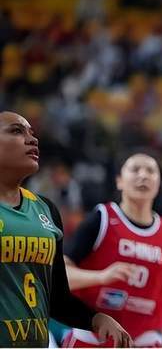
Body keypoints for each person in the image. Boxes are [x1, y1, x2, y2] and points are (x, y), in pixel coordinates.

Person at [0, 111, 131, 348]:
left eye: (32, 132)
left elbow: (57, 297)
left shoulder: (46, 210)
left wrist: (95, 319)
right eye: (17, 131)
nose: (32, 139)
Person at [61, 153, 162, 348]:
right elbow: (60, 275)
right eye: (135, 169)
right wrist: (101, 277)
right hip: (94, 338)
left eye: (150, 171)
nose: (143, 175)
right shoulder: (102, 217)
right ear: (119, 181)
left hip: (145, 342)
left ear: (158, 183)